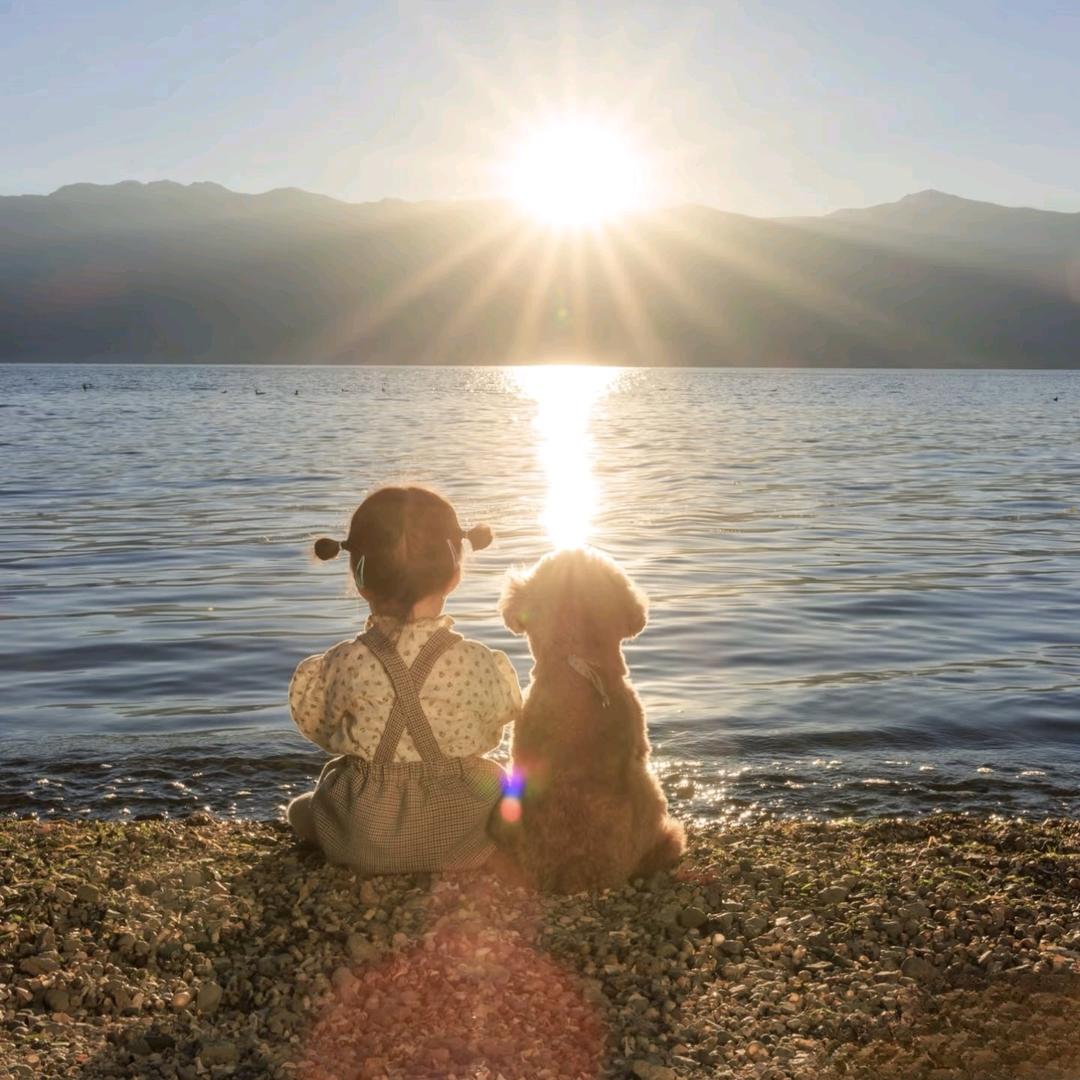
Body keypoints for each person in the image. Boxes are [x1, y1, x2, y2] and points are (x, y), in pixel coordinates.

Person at [286, 486, 521, 873]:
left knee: (301, 809)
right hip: (464, 832)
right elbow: (498, 722)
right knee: (510, 790)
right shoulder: (477, 662)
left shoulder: (343, 663)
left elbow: (321, 730)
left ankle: (352, 843)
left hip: (364, 836)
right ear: (455, 576)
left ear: (359, 579)